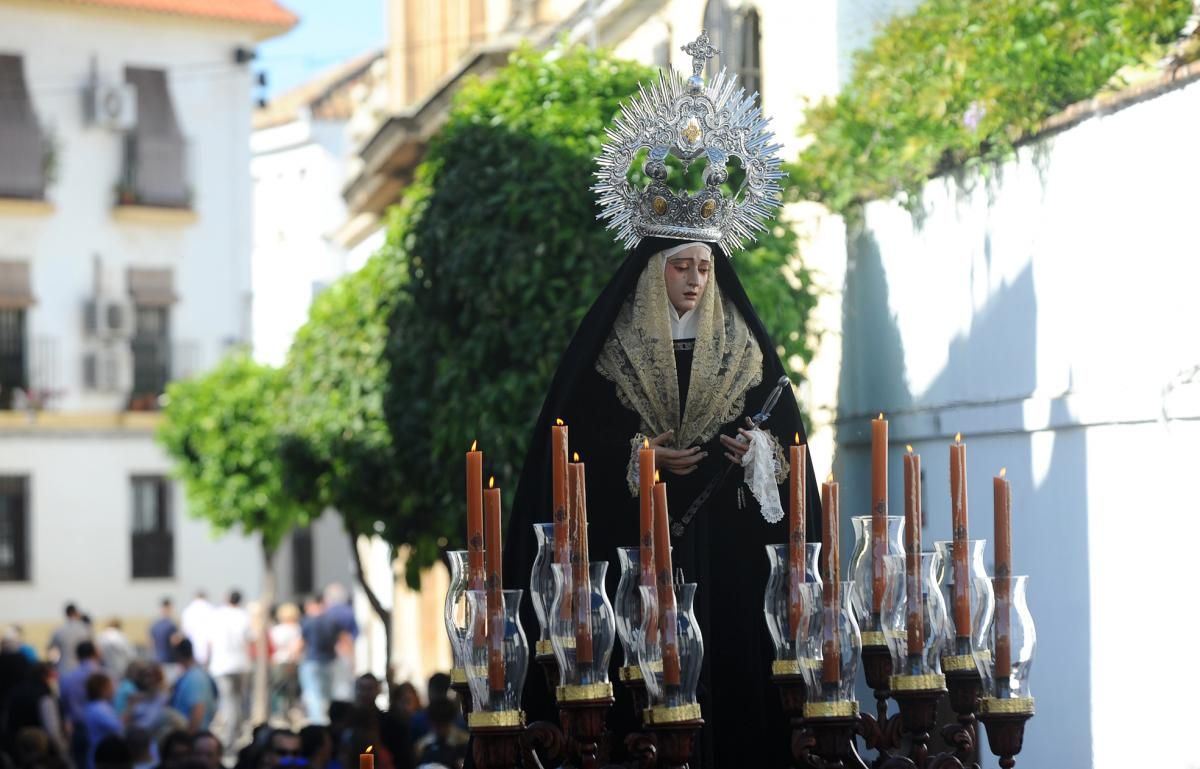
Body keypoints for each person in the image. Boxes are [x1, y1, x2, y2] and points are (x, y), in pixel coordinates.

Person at [502, 34, 821, 769]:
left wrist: (762, 460)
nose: (694, 281)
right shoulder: (606, 360)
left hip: (728, 569)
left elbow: (792, 452)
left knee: (730, 712)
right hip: (631, 563)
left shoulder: (746, 354)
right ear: (652, 272)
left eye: (705, 267)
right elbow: (567, 456)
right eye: (679, 265)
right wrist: (636, 457)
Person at [207, 590, 252, 750]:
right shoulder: (243, 616)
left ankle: (231, 735)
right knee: (236, 700)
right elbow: (249, 638)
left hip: (222, 665)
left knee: (229, 701)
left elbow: (209, 641)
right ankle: (234, 732)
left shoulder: (217, 615)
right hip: (240, 664)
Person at [60, 641, 105, 769]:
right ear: (95, 654)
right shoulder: (103, 675)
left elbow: (65, 705)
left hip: (78, 729)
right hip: (100, 728)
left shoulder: (67, 677)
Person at [168, 640, 215, 733]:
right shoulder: (194, 674)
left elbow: (198, 709)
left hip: (194, 733)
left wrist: (189, 737)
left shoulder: (194, 678)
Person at [82, 672, 125, 769]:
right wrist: (131, 707)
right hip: (103, 758)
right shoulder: (99, 708)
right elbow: (117, 726)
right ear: (102, 689)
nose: (113, 690)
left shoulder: (97, 706)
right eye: (110, 687)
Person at [267, 603, 302, 722]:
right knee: (290, 690)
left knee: (278, 689)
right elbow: (298, 647)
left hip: (278, 660)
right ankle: (288, 712)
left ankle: (279, 713)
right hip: (292, 661)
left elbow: (271, 647)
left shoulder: (276, 629)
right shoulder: (297, 629)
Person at [411, 698, 466, 769]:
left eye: (443, 725)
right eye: (436, 725)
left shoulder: (464, 741)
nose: (439, 729)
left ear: (450, 721)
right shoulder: (422, 745)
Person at [47, 604, 92, 674]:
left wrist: (55, 664)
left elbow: (50, 651)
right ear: (77, 613)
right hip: (82, 670)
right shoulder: (85, 629)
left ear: (66, 614)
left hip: (64, 669)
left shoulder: (58, 631)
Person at [179, 593, 214, 668]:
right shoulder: (212, 609)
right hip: (209, 652)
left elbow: (185, 632)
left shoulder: (188, 611)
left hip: (192, 653)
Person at [149, 600, 180, 673]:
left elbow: (151, 643)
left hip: (157, 660)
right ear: (169, 609)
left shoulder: (154, 625)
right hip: (169, 661)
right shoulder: (171, 625)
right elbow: (175, 642)